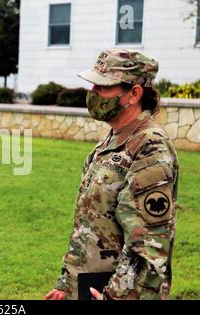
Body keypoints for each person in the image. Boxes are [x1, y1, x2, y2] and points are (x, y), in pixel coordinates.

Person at [45, 49, 179, 300]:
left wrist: (116, 296)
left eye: (103, 87)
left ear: (134, 94)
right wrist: (67, 285)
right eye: (93, 84)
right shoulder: (109, 144)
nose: (93, 93)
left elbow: (149, 243)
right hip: (87, 287)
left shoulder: (150, 147)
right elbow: (87, 225)